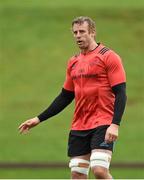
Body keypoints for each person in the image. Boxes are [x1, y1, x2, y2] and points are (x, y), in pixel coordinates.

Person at [19, 16, 127, 179]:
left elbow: (121, 92)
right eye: (75, 32)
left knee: (99, 170)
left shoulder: (108, 56)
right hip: (79, 125)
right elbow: (65, 96)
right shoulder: (73, 62)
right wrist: (38, 118)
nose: (78, 35)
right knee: (77, 174)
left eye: (82, 31)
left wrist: (115, 124)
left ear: (92, 32)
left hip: (103, 122)